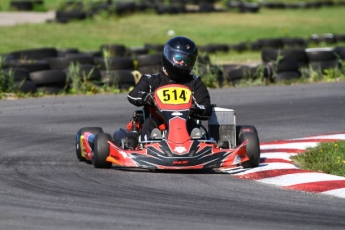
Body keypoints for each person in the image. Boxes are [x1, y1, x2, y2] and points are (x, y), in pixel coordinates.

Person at [127, 36, 212, 141]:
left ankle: (196, 146)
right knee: (149, 123)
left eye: (187, 60)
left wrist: (195, 108)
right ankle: (150, 145)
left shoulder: (194, 82)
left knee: (192, 126)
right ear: (168, 56)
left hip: (184, 124)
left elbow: (206, 108)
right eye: (179, 59)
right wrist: (147, 97)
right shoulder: (151, 80)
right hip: (157, 123)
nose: (183, 63)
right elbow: (133, 95)